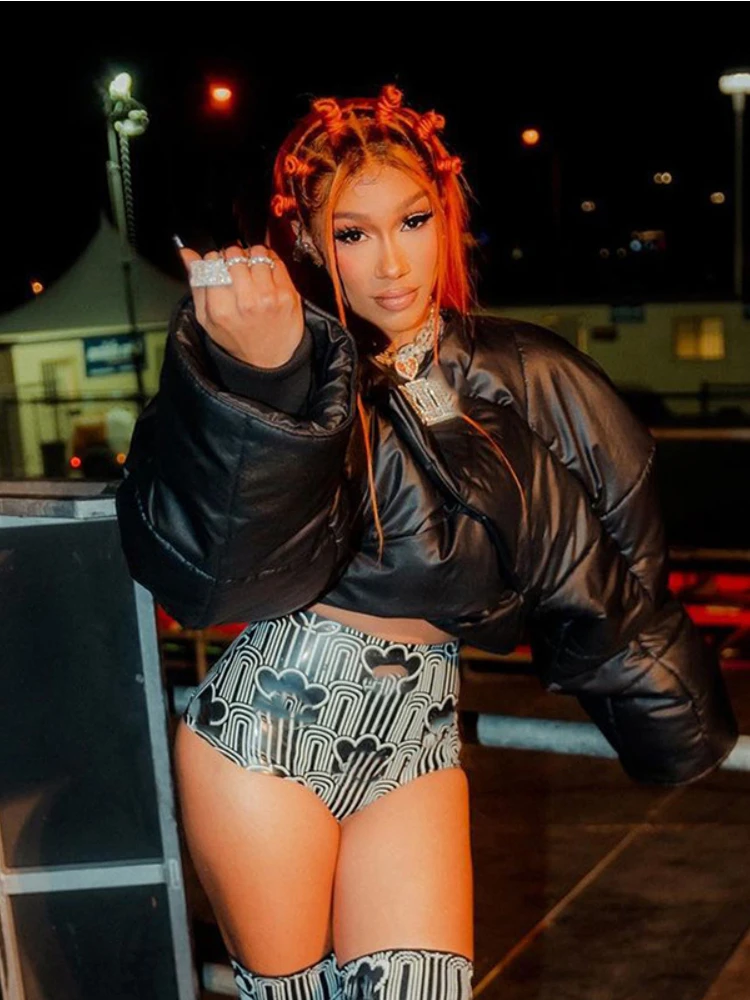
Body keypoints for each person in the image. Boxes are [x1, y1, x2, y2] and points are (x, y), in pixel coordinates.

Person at [115, 85, 738, 1000]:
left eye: (412, 220)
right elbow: (219, 574)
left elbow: (615, 547)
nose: (391, 262)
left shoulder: (526, 370)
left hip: (418, 740)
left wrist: (676, 724)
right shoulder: (299, 369)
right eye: (352, 233)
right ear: (307, 241)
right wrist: (267, 377)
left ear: (445, 214)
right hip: (268, 733)